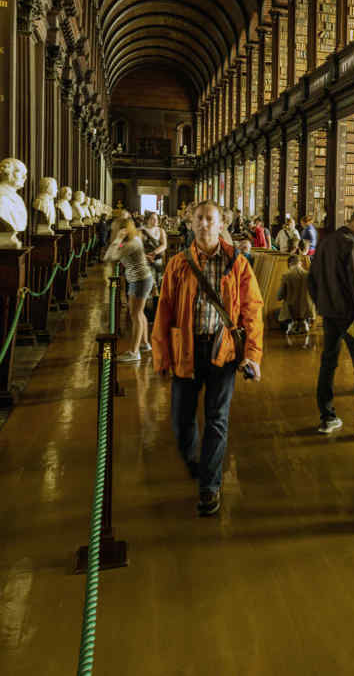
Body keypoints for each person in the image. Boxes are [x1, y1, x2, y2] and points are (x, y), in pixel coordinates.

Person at [151, 200, 265, 516]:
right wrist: (160, 355)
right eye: (199, 219)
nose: (204, 224)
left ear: (221, 223)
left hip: (223, 351)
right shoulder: (178, 263)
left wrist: (252, 355)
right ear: (191, 223)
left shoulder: (238, 263)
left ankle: (210, 487)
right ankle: (195, 463)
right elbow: (164, 312)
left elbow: (252, 311)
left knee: (217, 419)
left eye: (210, 219)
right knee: (181, 421)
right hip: (185, 349)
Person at [307, 208, 354, 439]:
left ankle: (327, 418)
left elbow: (311, 279)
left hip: (329, 314)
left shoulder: (326, 242)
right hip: (350, 318)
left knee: (328, 363)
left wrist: (321, 305)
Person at [104, 217, 154, 361]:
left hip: (140, 280)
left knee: (136, 315)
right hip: (139, 279)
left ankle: (134, 351)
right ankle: (145, 344)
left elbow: (108, 257)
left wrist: (116, 240)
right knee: (139, 313)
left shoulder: (130, 243)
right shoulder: (132, 240)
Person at [278, 241, 314, 335]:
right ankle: (304, 322)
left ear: (289, 264)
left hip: (291, 310)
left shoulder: (286, 275)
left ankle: (292, 324)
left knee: (277, 313)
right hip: (307, 311)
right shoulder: (309, 275)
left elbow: (279, 296)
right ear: (300, 263)